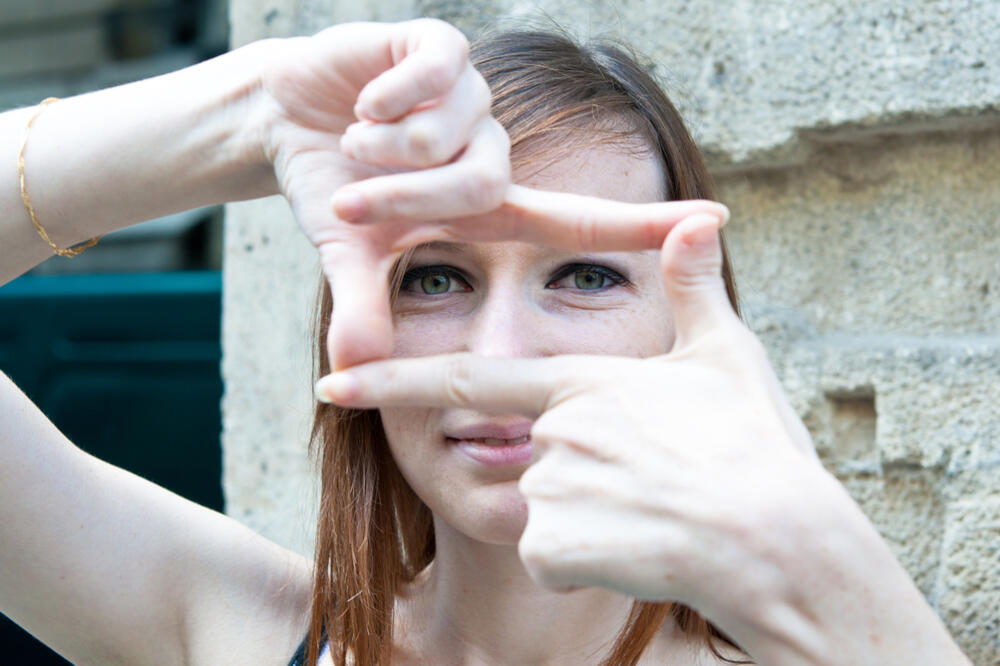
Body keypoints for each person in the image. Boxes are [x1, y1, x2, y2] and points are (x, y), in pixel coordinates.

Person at [0, 17, 969, 666]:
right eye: (435, 277)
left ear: (686, 330)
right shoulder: (235, 629)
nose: (503, 352)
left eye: (585, 276)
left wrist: (836, 581)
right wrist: (243, 114)